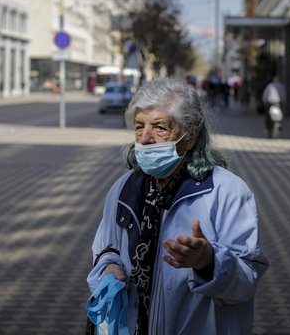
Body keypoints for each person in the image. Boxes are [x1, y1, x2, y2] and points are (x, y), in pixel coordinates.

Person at [87, 78, 269, 334]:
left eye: (160, 127)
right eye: (139, 127)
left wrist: (209, 262)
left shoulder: (227, 191)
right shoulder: (124, 188)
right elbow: (105, 248)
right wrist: (109, 266)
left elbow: (247, 280)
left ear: (191, 135)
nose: (145, 138)